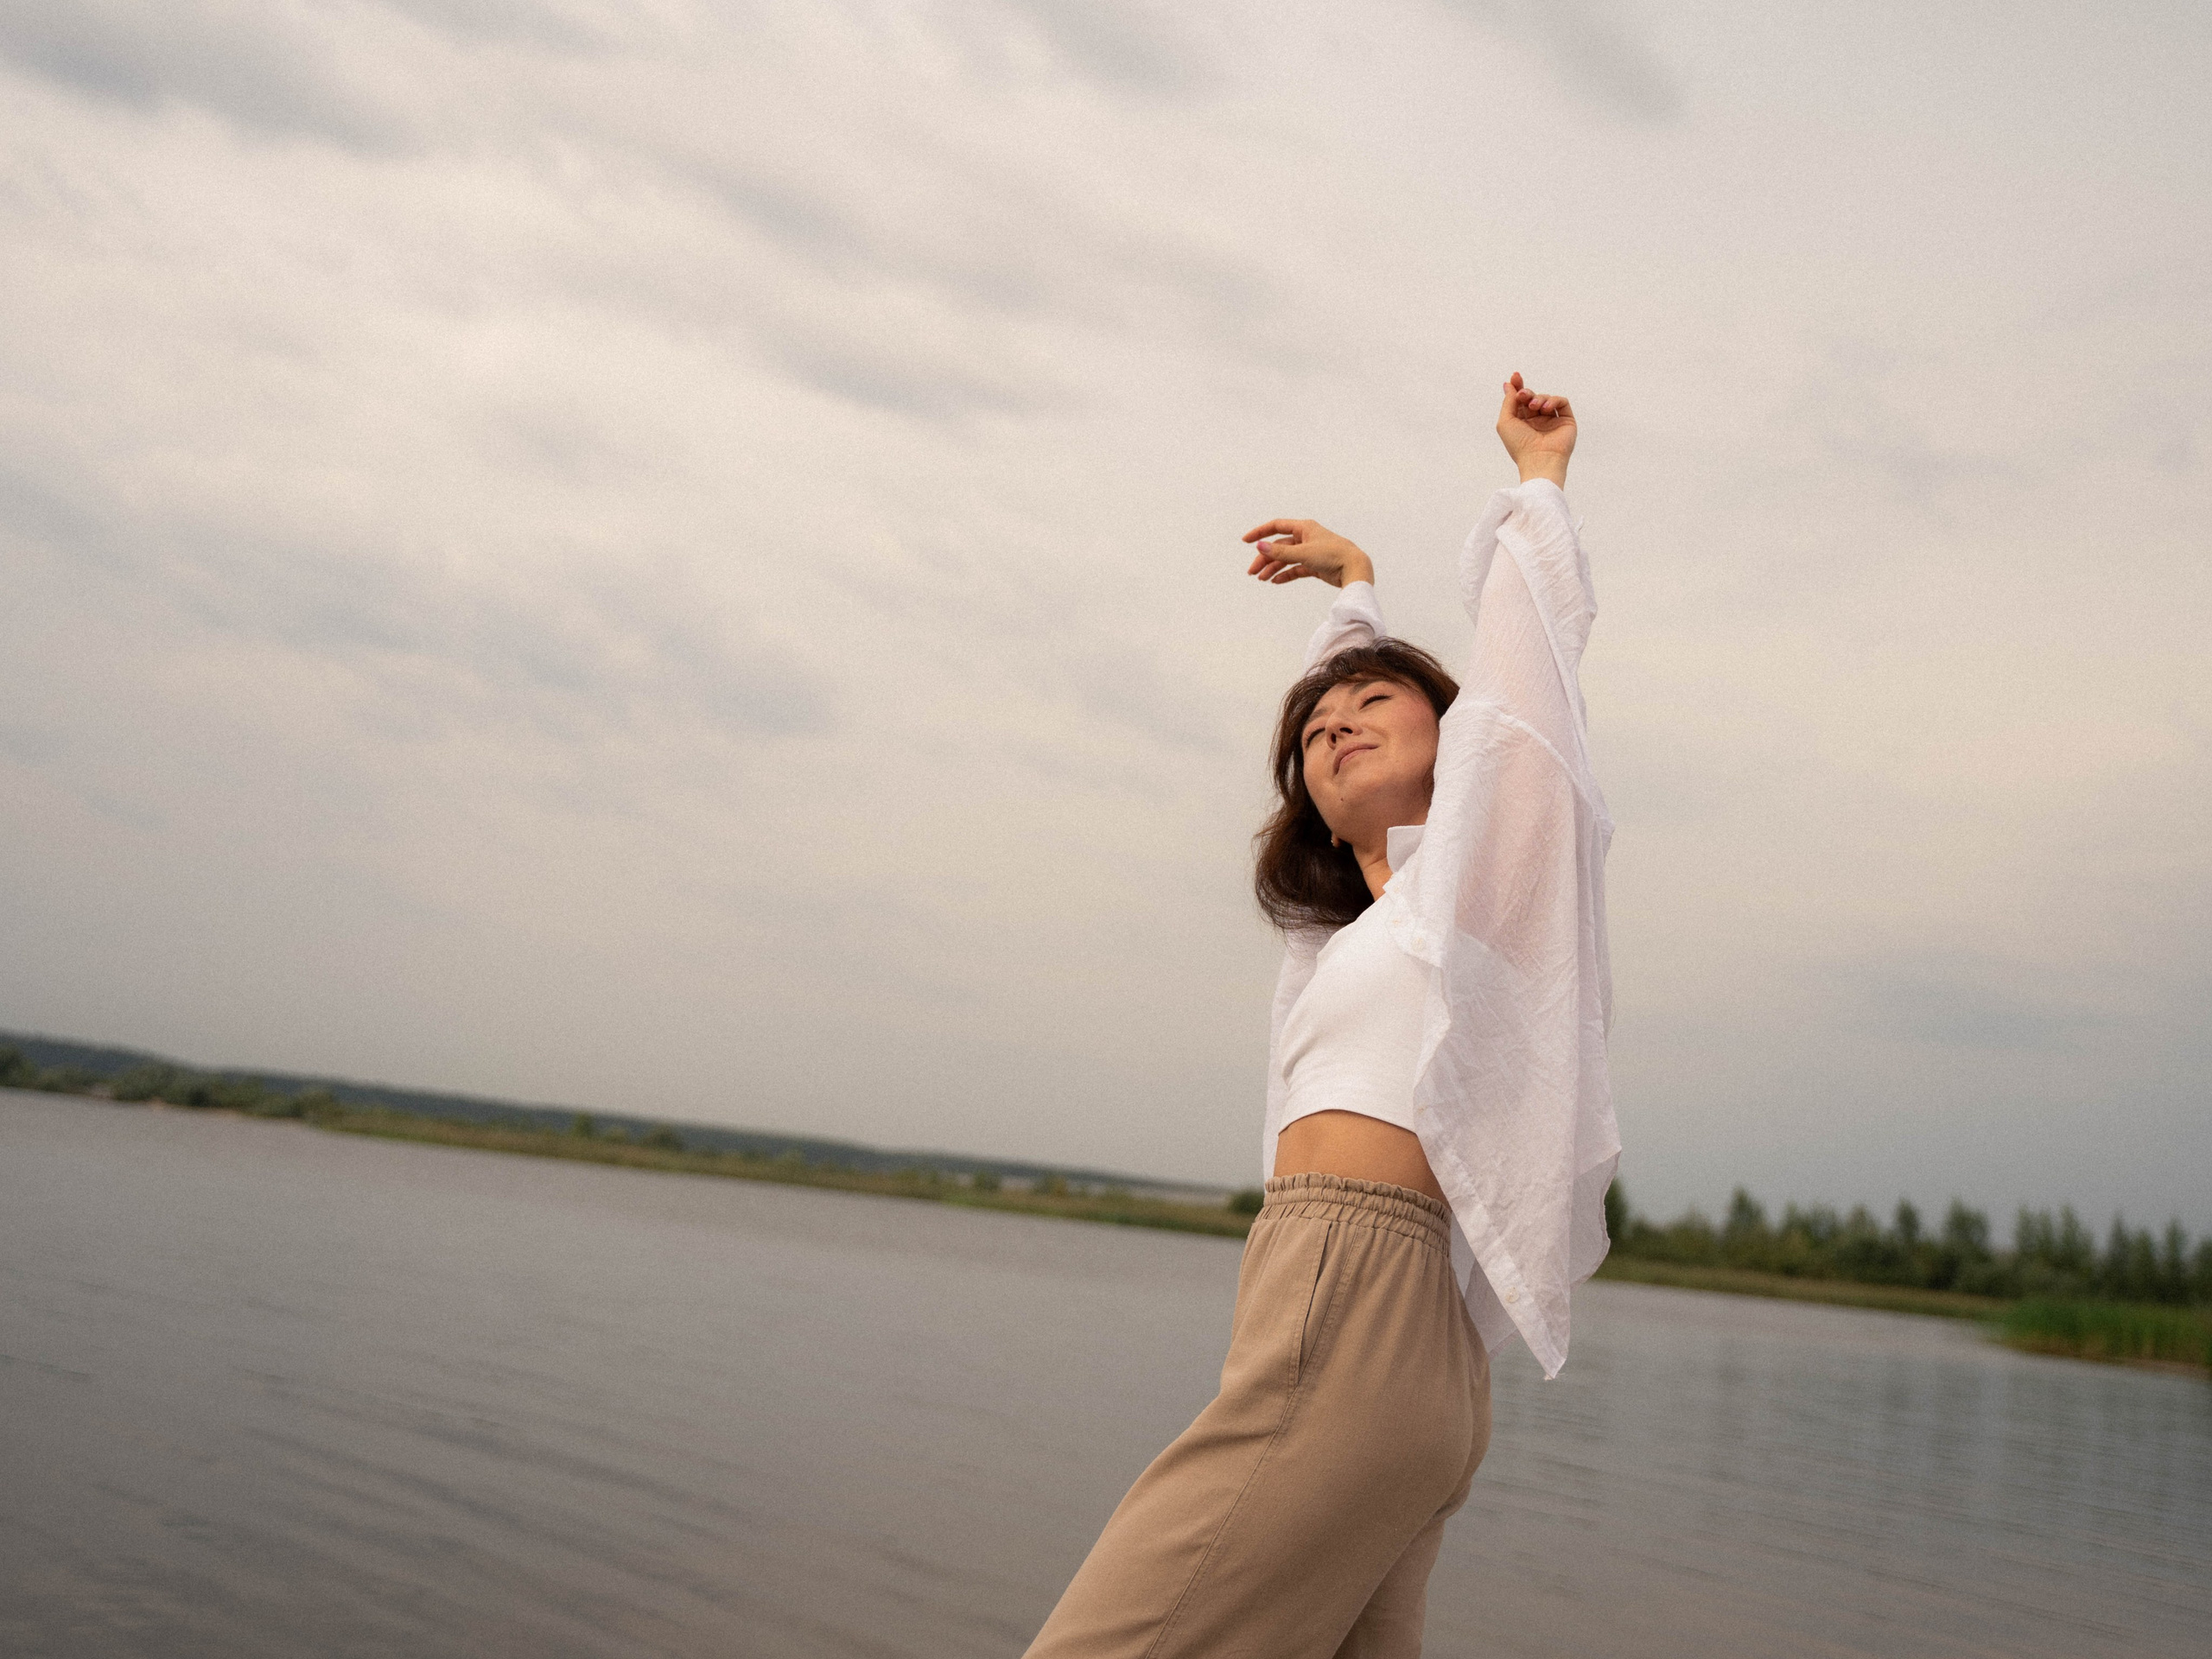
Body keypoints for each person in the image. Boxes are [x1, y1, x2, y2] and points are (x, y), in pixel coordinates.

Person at [1023, 374, 1618, 1659]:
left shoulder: (1476, 895)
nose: (1338, 724)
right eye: (1317, 732)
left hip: (1359, 1308)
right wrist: (1353, 590)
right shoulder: (1346, 935)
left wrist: (1537, 485)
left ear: (1454, 742)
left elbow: (1521, 696)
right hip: (1387, 1354)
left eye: (1376, 705)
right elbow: (1342, 701)